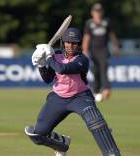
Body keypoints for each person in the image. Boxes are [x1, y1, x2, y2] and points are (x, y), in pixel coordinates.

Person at [24, 27, 121, 156]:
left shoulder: (82, 60)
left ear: (79, 44)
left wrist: (48, 57)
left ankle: (112, 153)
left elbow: (63, 68)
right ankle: (62, 145)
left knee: (96, 123)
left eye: (74, 42)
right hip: (58, 97)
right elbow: (47, 79)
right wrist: (41, 65)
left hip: (80, 97)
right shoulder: (56, 55)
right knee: (37, 135)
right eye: (68, 42)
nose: (70, 45)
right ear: (63, 42)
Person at [82, 3, 120, 102]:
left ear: (102, 12)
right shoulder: (89, 23)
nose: (97, 13)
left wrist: (116, 47)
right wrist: (85, 50)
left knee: (103, 69)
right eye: (95, 11)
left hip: (104, 50)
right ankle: (96, 91)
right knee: (95, 71)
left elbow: (112, 36)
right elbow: (86, 37)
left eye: (99, 11)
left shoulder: (106, 22)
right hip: (93, 51)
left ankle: (106, 89)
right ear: (92, 13)